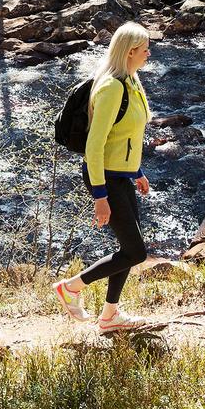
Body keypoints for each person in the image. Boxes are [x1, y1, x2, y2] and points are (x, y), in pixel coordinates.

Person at [53, 21, 154, 334]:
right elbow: (95, 147)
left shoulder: (132, 82)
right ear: (130, 52)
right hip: (105, 178)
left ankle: (110, 315)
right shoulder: (112, 87)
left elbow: (124, 135)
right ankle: (71, 287)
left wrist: (135, 171)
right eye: (145, 49)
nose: (149, 53)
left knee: (128, 248)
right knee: (136, 252)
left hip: (120, 176)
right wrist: (100, 196)